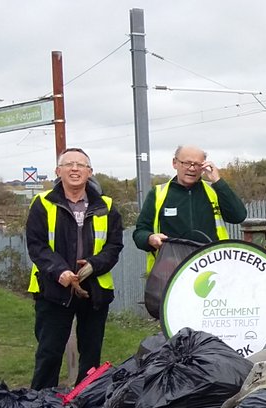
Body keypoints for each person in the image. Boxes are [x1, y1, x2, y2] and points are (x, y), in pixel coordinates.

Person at [25, 148, 124, 390]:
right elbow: (36, 245)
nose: (75, 169)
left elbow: (114, 245)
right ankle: (41, 402)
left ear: (90, 172)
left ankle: (85, 399)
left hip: (94, 290)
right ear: (58, 171)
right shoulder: (43, 203)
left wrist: (94, 265)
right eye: (69, 164)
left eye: (81, 165)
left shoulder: (107, 205)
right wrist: (60, 271)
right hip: (53, 288)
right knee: (49, 352)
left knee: (91, 355)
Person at [133, 145, 247, 272]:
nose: (192, 169)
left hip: (212, 268)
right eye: (186, 163)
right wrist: (150, 239)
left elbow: (238, 216)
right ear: (175, 163)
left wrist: (217, 180)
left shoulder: (214, 190)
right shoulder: (158, 193)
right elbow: (140, 233)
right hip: (171, 271)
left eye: (197, 165)